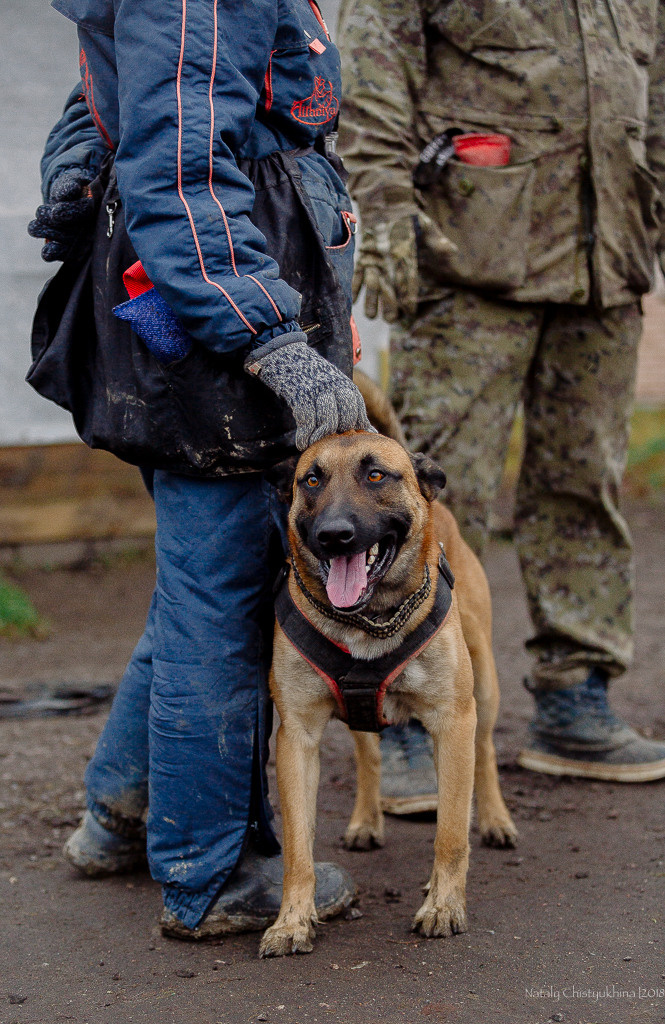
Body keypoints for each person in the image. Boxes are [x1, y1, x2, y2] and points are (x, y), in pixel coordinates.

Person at [28, 0, 372, 939]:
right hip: (214, 329)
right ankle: (210, 873)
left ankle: (124, 813)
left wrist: (73, 170)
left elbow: (128, 96)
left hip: (201, 305)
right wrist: (272, 340)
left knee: (197, 584)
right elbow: (180, 171)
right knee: (220, 602)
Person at [337, 0, 665, 796]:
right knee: (425, 496)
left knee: (583, 484)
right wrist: (384, 215)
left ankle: (575, 701)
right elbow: (370, 79)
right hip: (468, 267)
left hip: (604, 269)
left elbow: (664, 110)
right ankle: (399, 718)